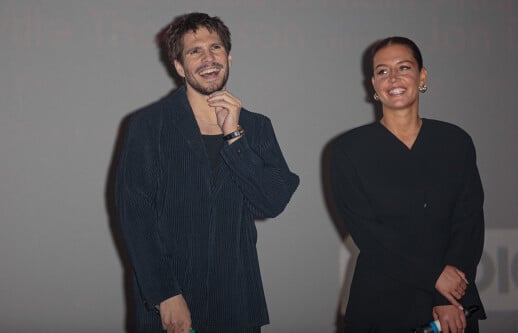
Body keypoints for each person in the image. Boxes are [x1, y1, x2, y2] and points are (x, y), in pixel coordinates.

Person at [115, 12, 299, 333]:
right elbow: (135, 214)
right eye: (194, 51)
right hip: (170, 300)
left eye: (215, 48)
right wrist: (165, 293)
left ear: (229, 58)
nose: (208, 58)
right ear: (179, 67)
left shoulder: (255, 127)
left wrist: (235, 137)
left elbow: (272, 202)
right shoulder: (148, 124)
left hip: (237, 302)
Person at [329, 37, 486, 333]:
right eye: (383, 71)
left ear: (421, 76)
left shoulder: (456, 142)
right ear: (373, 84)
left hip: (451, 306)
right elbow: (369, 235)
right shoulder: (348, 151)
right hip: (380, 304)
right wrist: (433, 276)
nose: (394, 78)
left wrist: (446, 295)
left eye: (403, 67)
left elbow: (469, 223)